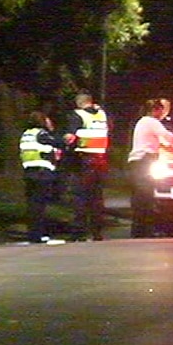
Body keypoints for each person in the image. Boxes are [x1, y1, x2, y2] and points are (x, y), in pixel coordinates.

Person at [127, 98, 173, 238]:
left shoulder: (143, 122)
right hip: (144, 160)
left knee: (141, 197)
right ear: (155, 110)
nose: (161, 113)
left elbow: (159, 141)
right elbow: (167, 136)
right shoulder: (151, 122)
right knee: (145, 196)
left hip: (138, 162)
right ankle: (144, 230)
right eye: (160, 109)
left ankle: (140, 230)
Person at [62, 93, 110, 241]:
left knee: (80, 196)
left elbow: (70, 138)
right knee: (97, 197)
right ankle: (97, 232)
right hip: (100, 159)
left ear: (78, 103)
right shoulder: (102, 114)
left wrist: (64, 140)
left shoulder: (78, 115)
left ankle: (79, 232)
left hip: (83, 160)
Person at [19, 111, 65, 243]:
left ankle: (33, 234)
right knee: (40, 206)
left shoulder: (26, 134)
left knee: (33, 205)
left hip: (29, 173)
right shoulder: (41, 134)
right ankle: (38, 235)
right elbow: (58, 142)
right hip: (41, 173)